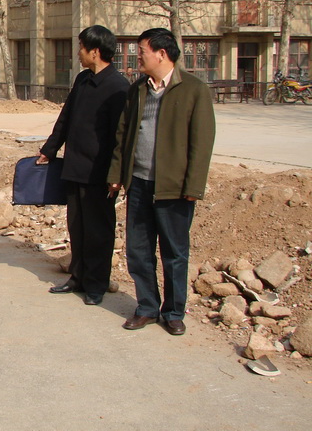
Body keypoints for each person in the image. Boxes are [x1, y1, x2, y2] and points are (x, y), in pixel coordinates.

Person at [108, 28, 215, 336]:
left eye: (141, 51)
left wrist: (193, 186)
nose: (137, 57)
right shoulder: (138, 89)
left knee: (174, 253)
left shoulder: (193, 89)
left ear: (161, 54)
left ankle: (173, 312)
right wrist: (117, 175)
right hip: (139, 183)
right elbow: (123, 135)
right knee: (138, 250)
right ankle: (146, 307)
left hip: (174, 188)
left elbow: (202, 142)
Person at [37, 26, 129, 306]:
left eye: (81, 47)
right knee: (76, 226)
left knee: (99, 230)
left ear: (95, 51)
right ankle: (77, 277)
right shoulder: (83, 79)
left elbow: (121, 137)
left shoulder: (118, 87)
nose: (77, 53)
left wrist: (116, 175)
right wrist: (50, 149)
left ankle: (97, 284)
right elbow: (65, 118)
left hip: (100, 173)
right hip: (75, 166)